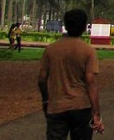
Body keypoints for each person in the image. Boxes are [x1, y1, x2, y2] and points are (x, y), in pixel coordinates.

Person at [38, 9, 104, 138]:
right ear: (85, 27)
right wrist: (96, 113)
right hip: (81, 106)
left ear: (66, 25)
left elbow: (41, 79)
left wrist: (46, 100)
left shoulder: (51, 49)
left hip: (57, 106)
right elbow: (91, 83)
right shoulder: (88, 51)